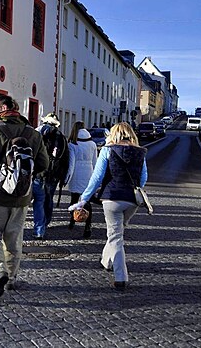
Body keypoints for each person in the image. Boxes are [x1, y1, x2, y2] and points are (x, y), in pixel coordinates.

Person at [0, 95, 49, 298]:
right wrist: (24, 177)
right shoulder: (33, 134)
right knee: (13, 239)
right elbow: (44, 164)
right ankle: (11, 278)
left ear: (3, 108)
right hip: (20, 197)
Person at [71, 122, 148, 290]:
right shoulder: (140, 153)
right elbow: (143, 179)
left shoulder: (107, 150)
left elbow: (97, 178)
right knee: (116, 233)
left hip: (112, 198)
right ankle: (106, 261)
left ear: (113, 134)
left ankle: (121, 277)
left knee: (115, 236)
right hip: (132, 201)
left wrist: (84, 199)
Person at [31, 113, 69, 240]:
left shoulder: (37, 134)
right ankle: (45, 223)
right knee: (48, 198)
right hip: (53, 174)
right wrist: (63, 177)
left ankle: (39, 228)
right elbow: (65, 159)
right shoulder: (61, 137)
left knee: (38, 200)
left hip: (38, 172)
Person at [64, 121, 98, 238]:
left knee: (74, 199)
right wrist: (95, 179)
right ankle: (88, 226)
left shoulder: (72, 144)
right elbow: (95, 162)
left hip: (76, 174)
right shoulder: (92, 144)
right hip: (88, 173)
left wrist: (67, 178)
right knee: (87, 201)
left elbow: (71, 164)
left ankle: (72, 221)